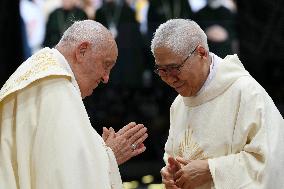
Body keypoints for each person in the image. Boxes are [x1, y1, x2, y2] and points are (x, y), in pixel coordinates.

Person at [0, 20, 148, 189]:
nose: (106, 78)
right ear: (82, 51)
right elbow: (61, 177)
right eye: (106, 65)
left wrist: (98, 150)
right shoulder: (55, 86)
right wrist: (109, 156)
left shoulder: (39, 72)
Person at [150, 19, 284, 189]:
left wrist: (212, 170)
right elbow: (175, 155)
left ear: (201, 53)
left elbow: (272, 162)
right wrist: (170, 174)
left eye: (175, 68)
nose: (169, 79)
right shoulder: (179, 104)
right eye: (162, 71)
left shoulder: (246, 92)